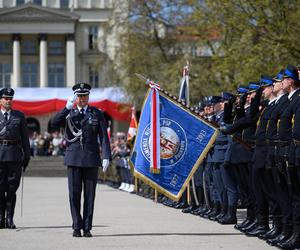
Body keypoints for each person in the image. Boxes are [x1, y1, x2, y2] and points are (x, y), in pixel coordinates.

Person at [51, 83, 111, 238]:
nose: (82, 99)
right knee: (74, 195)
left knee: (90, 196)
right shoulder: (69, 113)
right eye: (80, 96)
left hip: (91, 158)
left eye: (85, 96)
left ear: (88, 97)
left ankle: (87, 227)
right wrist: (66, 108)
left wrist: (106, 157)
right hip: (74, 158)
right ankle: (77, 225)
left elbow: (104, 137)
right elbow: (53, 124)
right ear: (75, 97)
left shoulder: (96, 113)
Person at [0, 87, 30, 229]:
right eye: (6, 98)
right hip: (0, 157)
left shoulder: (19, 116)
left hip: (14, 157)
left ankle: (10, 219)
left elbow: (25, 138)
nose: (8, 101)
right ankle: (1, 218)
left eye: (10, 99)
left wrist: (27, 156)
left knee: (12, 189)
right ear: (1, 100)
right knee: (0, 189)